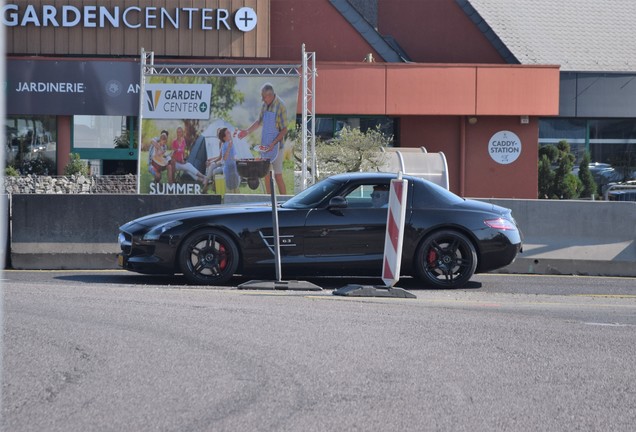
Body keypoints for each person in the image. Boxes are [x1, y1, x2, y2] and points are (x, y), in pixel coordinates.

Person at [237, 83, 288, 195]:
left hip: (277, 147)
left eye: (264, 97)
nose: (262, 99)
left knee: (278, 176)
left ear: (270, 95)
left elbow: (284, 130)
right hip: (265, 146)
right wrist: (246, 131)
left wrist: (273, 143)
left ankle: (284, 201)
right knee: (266, 175)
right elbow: (259, 122)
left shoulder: (281, 106)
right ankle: (269, 201)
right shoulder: (265, 105)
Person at [218, 127, 241, 193]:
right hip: (228, 170)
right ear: (224, 137)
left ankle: (238, 201)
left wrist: (237, 159)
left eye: (229, 132)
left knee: (236, 187)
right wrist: (228, 148)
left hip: (234, 168)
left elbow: (234, 155)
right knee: (230, 189)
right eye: (228, 133)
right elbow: (224, 158)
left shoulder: (231, 143)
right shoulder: (224, 145)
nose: (230, 133)